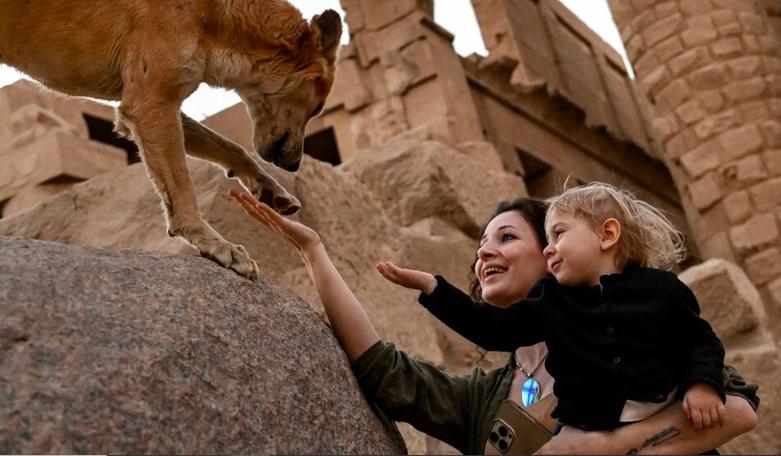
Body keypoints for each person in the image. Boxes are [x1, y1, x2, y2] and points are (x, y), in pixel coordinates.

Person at [228, 188, 759, 454]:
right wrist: (315, 254)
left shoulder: (637, 337)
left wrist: (609, 445)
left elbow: (735, 409)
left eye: (507, 238)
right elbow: (384, 370)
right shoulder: (491, 397)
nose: (485, 255)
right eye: (481, 245)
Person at [377, 182, 742, 441]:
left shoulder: (662, 291)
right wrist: (433, 289)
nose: (550, 250)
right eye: (547, 240)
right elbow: (491, 328)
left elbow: (701, 343)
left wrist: (702, 385)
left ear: (607, 234)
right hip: (582, 431)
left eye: (559, 235)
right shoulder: (554, 303)